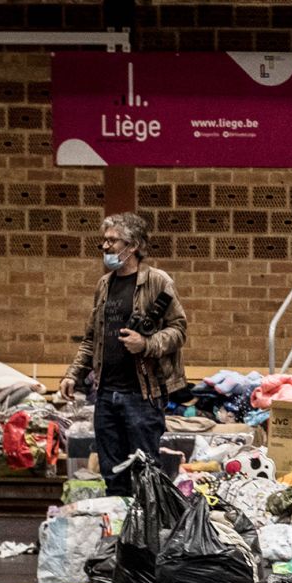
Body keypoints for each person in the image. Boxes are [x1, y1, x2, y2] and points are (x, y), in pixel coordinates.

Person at [59, 212, 187, 496]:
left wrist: (146, 344)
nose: (105, 246)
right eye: (103, 240)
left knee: (145, 474)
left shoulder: (157, 281)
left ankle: (145, 535)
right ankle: (120, 534)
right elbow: (92, 338)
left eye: (112, 241)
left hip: (142, 395)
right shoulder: (104, 285)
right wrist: (73, 373)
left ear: (134, 245)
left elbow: (179, 331)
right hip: (106, 394)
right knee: (112, 472)